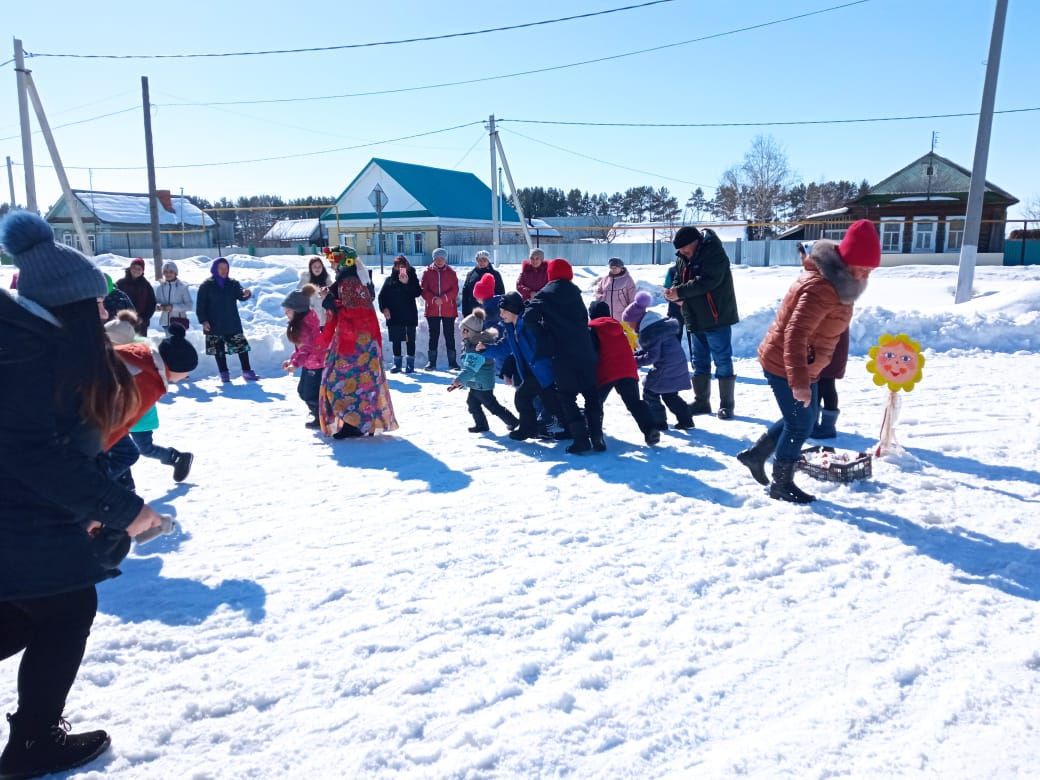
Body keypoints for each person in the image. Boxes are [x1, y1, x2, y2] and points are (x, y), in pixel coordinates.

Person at [0, 210, 163, 779]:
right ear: (68, 305)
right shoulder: (25, 354)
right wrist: (125, 510)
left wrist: (93, 510)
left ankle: (32, 740)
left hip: (24, 514)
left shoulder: (29, 343)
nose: (103, 313)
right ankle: (33, 746)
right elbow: (33, 456)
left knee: (25, 615)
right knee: (65, 607)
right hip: (18, 516)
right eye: (95, 304)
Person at [736, 219, 880, 503]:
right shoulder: (822, 288)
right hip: (786, 363)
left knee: (804, 416)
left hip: (806, 363)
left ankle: (756, 455)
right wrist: (799, 381)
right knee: (801, 423)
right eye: (861, 267)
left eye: (870, 269)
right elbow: (796, 334)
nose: (865, 274)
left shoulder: (840, 283)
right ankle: (781, 483)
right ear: (845, 260)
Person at [105, 312, 194, 483]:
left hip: (140, 415)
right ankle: (123, 487)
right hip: (120, 415)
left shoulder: (140, 362)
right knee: (125, 451)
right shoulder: (138, 361)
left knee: (141, 449)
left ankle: (176, 457)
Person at [525, 258, 603, 454]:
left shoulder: (546, 294)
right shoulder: (576, 292)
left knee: (567, 397)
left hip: (563, 353)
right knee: (591, 395)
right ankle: (597, 437)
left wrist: (543, 331)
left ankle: (581, 439)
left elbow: (528, 316)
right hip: (585, 350)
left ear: (550, 274)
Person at [317, 251, 399, 439]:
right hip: (355, 341)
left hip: (357, 344)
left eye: (334, 263)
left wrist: (330, 302)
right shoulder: (347, 281)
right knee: (352, 383)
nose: (332, 266)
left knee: (342, 382)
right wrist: (331, 300)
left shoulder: (350, 282)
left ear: (343, 263)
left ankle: (354, 423)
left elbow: (355, 313)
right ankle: (353, 422)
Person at [664, 226, 740, 419]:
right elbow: (678, 278)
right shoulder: (683, 257)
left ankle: (727, 405)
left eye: (684, 248)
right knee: (699, 361)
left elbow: (707, 281)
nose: (681, 252)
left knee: (722, 360)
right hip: (695, 317)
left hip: (716, 317)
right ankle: (701, 401)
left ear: (695, 242)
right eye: (680, 250)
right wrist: (673, 291)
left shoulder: (714, 253)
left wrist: (680, 292)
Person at [478, 292, 559, 442]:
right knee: (552, 404)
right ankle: (573, 423)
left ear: (513, 309)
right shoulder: (511, 327)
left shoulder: (528, 325)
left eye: (503, 311)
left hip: (541, 371)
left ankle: (528, 429)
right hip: (530, 371)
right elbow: (503, 348)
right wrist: (485, 350)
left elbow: (540, 347)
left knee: (523, 398)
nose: (501, 315)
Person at [588, 300, 660, 446]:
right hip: (627, 369)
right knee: (634, 402)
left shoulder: (592, 329)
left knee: (594, 404)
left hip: (606, 370)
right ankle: (650, 429)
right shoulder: (619, 327)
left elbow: (592, 353)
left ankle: (596, 437)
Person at [622, 291, 695, 431]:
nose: (629, 327)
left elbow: (652, 357)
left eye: (629, 323)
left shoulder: (651, 332)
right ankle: (686, 420)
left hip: (666, 368)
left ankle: (659, 422)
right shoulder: (657, 327)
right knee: (670, 394)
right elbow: (651, 350)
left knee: (650, 392)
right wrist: (634, 356)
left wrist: (633, 362)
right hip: (676, 364)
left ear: (637, 320)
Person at [449, 307, 518, 433]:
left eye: (462, 330)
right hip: (477, 383)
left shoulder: (477, 348)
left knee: (492, 406)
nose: (461, 333)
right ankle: (482, 425)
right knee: (472, 404)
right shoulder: (471, 343)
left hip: (482, 385)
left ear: (468, 331)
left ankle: (512, 421)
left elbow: (470, 369)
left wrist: (459, 380)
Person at [195, 257, 258, 383]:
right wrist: (203, 321)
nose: (224, 271)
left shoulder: (233, 283)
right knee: (218, 350)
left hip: (231, 322)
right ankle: (224, 373)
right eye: (221, 268)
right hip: (213, 323)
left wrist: (246, 293)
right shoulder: (206, 285)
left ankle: (247, 371)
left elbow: (240, 295)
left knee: (242, 347)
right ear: (215, 269)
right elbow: (200, 306)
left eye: (226, 268)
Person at [281, 286, 326, 429]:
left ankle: (322, 417)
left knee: (309, 394)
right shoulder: (303, 323)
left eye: (288, 310)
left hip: (316, 364)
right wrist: (292, 360)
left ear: (298, 310)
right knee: (303, 391)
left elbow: (306, 349)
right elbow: (301, 349)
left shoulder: (303, 328)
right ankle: (319, 414)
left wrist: (294, 363)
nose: (285, 313)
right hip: (310, 364)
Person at [378, 254, 422, 373]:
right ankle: (397, 364)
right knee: (396, 340)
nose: (399, 268)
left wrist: (407, 283)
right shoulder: (390, 280)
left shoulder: (412, 277)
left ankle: (410, 364)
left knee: (410, 340)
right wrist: (384, 309)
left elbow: (417, 292)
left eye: (402, 265)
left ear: (406, 266)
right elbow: (381, 297)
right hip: (394, 316)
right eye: (397, 265)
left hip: (409, 315)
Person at [420, 248, 459, 370]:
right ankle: (432, 362)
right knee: (433, 335)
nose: (440, 260)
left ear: (445, 259)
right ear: (434, 259)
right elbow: (423, 290)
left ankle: (452, 362)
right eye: (437, 258)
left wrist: (444, 298)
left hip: (448, 309)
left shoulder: (451, 273)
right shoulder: (427, 272)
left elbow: (455, 290)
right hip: (432, 309)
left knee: (449, 335)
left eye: (442, 258)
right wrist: (433, 299)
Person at [115, 257, 157, 336]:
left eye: (139, 269)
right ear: (130, 268)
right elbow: (114, 299)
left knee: (139, 346)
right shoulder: (121, 283)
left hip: (140, 323)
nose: (136, 271)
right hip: (123, 322)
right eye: (134, 268)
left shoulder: (146, 285)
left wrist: (143, 318)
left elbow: (151, 304)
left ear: (142, 271)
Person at [461, 250, 505, 316]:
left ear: (488, 261)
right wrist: (465, 311)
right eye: (479, 260)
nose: (482, 262)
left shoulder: (495, 274)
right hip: (473, 311)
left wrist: (499, 309)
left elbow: (501, 293)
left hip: (490, 311)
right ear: (476, 261)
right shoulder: (471, 274)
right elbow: (465, 293)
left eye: (484, 260)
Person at [154, 261, 193, 335]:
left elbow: (189, 306)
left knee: (178, 344)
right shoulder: (160, 288)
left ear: (176, 273)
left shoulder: (182, 287)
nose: (168, 274)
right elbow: (156, 303)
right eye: (165, 272)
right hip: (165, 321)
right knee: (169, 344)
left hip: (179, 322)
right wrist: (159, 307)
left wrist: (172, 307)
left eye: (171, 271)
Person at [299, 256, 332, 326]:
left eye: (319, 266)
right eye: (315, 266)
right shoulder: (305, 280)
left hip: (324, 318)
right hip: (310, 318)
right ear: (310, 268)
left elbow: (332, 296)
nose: (317, 269)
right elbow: (299, 296)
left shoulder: (327, 280)